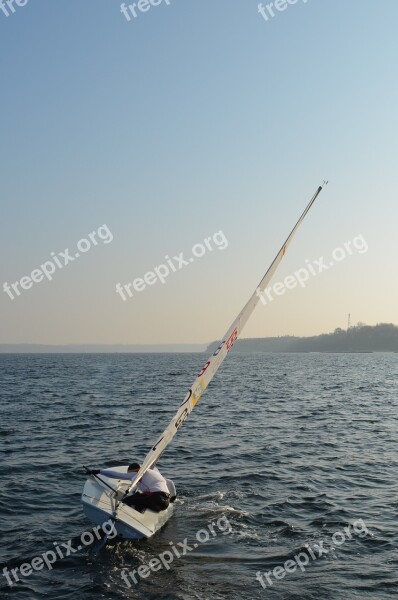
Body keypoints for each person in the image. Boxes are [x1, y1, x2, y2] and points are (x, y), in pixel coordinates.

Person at [89, 463, 176, 513]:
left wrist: (99, 471)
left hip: (156, 499)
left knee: (128, 500)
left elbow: (116, 475)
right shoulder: (154, 473)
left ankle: (122, 515)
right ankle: (146, 510)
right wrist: (172, 498)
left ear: (133, 471)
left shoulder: (137, 474)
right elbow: (170, 482)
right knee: (141, 497)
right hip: (166, 503)